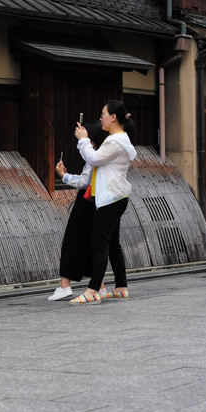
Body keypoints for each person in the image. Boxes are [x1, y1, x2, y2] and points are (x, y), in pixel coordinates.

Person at [69, 100, 137, 305]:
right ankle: (121, 286)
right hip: (116, 197)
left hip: (110, 198)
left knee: (99, 244)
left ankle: (92, 290)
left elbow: (94, 159)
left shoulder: (115, 142)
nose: (101, 118)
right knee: (112, 244)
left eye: (103, 114)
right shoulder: (119, 139)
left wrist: (83, 140)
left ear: (113, 117)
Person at [47, 120, 109, 301]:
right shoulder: (106, 153)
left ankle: (65, 285)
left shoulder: (94, 156)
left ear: (93, 140)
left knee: (71, 241)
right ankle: (100, 285)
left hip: (86, 201)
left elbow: (83, 182)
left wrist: (63, 175)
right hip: (100, 201)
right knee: (94, 244)